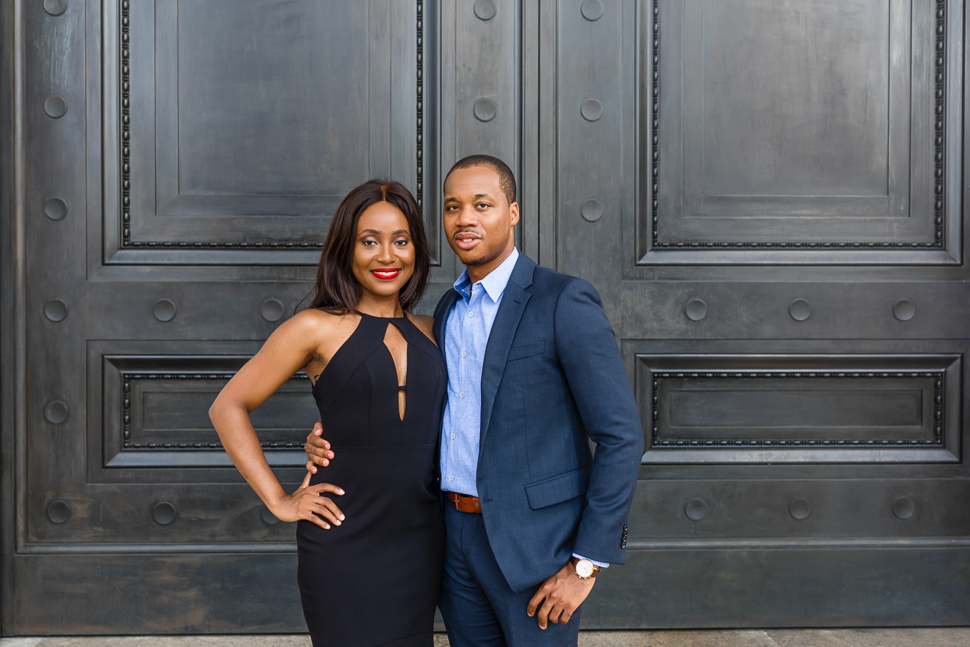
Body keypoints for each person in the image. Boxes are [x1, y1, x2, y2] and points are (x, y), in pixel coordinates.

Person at [305, 155, 644, 646]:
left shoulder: (561, 300)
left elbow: (621, 435)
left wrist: (585, 565)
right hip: (449, 539)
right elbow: (409, 405)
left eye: (482, 205)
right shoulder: (443, 312)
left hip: (535, 548)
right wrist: (330, 432)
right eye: (452, 207)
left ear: (513, 212)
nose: (465, 218)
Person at [209, 179, 445, 647]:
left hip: (422, 541)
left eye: (401, 241)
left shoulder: (438, 328)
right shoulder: (314, 327)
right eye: (369, 241)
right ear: (346, 248)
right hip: (344, 539)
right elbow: (228, 406)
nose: (387, 256)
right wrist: (279, 500)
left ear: (417, 249)